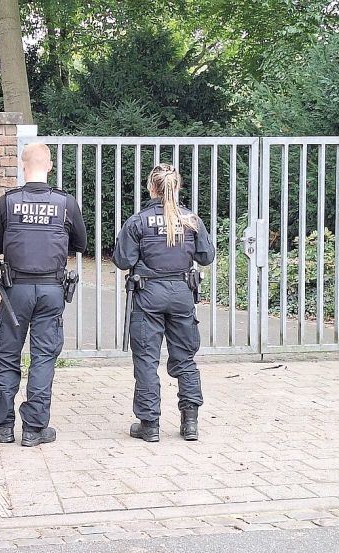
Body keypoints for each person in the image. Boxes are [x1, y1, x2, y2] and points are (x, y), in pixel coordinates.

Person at [0, 143, 87, 447]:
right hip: (52, 290)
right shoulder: (66, 203)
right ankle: (34, 429)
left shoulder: (8, 202)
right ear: (49, 165)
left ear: (22, 166)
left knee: (4, 353)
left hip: (16, 292)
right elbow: (80, 243)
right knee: (43, 357)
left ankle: (1, 426)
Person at [113, 163, 216, 442]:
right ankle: (190, 423)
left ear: (151, 187)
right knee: (186, 359)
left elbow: (123, 260)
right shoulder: (190, 219)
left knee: (147, 360)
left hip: (148, 295)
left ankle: (149, 426)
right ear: (177, 186)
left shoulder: (138, 221)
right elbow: (206, 256)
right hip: (182, 293)